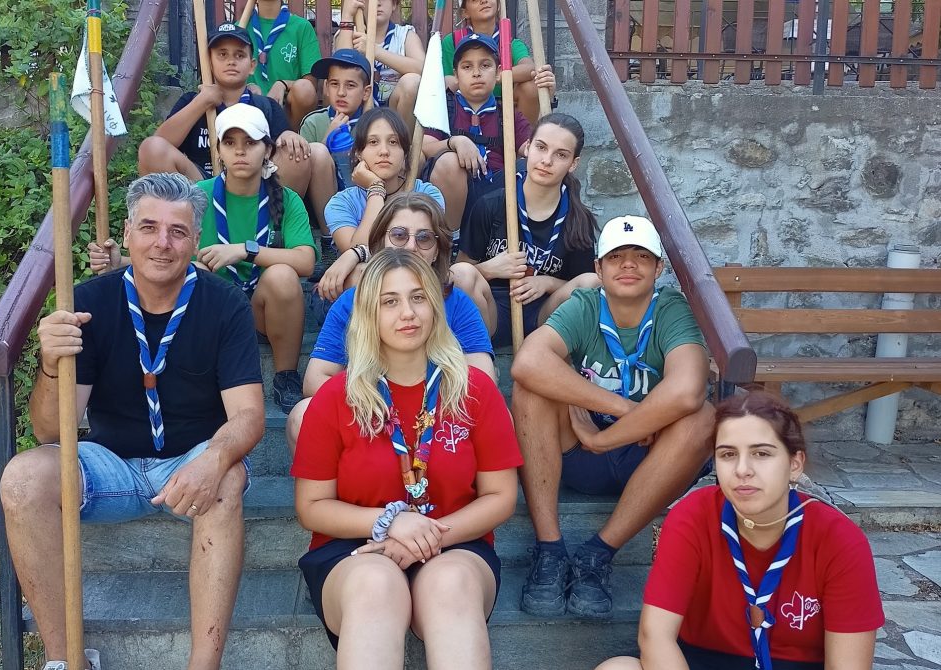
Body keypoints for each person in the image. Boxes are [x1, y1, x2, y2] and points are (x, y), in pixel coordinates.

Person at [0, 173, 265, 670]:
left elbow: (249, 415)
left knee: (228, 476)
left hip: (189, 463)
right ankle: (66, 661)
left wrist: (214, 458)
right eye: (149, 227)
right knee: (22, 478)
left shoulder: (225, 303)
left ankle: (203, 665)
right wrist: (50, 364)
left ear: (196, 239)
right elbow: (51, 431)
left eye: (178, 231)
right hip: (110, 466)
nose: (163, 243)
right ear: (126, 233)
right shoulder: (87, 302)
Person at [292, 248, 523, 666]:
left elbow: (501, 496)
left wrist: (427, 538)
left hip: (457, 542)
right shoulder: (335, 397)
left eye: (418, 297)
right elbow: (312, 507)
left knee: (450, 582)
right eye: (390, 301)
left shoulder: (474, 390)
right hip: (355, 549)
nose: (408, 313)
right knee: (376, 585)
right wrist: (391, 523)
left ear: (435, 306)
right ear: (368, 313)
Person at [511, 215, 715, 618]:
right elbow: (528, 362)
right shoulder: (586, 305)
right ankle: (550, 550)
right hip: (582, 456)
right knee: (529, 391)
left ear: (658, 268)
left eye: (641, 256)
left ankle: (597, 554)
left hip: (650, 459)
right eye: (616, 256)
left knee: (703, 417)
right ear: (598, 268)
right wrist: (626, 410)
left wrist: (604, 437)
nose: (628, 265)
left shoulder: (671, 309)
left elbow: (688, 389)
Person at [598, 391, 883, 670]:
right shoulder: (693, 516)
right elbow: (655, 637)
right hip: (700, 660)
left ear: (795, 464)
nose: (742, 469)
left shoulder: (839, 539)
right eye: (728, 454)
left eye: (761, 453)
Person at [91, 105, 317, 413]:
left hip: (262, 311)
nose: (240, 152)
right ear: (219, 150)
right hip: (213, 308)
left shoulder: (286, 199)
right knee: (194, 271)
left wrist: (244, 250)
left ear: (267, 151)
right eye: (230, 143)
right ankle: (193, 374)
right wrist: (121, 262)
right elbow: (169, 251)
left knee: (282, 276)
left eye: (250, 143)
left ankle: (286, 375)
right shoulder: (197, 195)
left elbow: (305, 261)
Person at [285, 193, 496, 456]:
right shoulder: (352, 301)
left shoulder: (457, 302)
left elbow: (483, 379)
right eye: (399, 235)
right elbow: (316, 379)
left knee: (500, 418)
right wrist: (380, 405)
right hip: (370, 414)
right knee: (302, 415)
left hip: (440, 419)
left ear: (437, 250)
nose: (411, 247)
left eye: (424, 238)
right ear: (381, 243)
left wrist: (417, 409)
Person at [138, 22, 337, 255]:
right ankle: (184, 233)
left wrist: (288, 133)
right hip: (202, 190)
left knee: (297, 152)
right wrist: (202, 102)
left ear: (252, 65)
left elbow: (283, 142)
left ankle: (276, 233)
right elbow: (158, 146)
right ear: (209, 62)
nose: (231, 61)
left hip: (253, 193)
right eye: (222, 54)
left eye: (239, 55)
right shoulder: (192, 101)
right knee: (151, 147)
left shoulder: (264, 106)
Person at [455, 113, 600, 347]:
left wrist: (547, 283)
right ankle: (477, 353)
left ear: (573, 164)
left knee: (591, 283)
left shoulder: (577, 220)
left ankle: (549, 354)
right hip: (490, 310)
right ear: (528, 147)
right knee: (463, 274)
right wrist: (488, 270)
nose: (547, 160)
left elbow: (584, 285)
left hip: (545, 316)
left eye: (561, 155)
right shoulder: (492, 205)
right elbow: (455, 274)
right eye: (541, 147)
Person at [421, 33, 554, 237]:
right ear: (456, 75)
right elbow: (425, 147)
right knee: (448, 161)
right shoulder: (445, 108)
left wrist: (547, 94)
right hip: (454, 194)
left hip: (495, 194)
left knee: (527, 168)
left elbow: (532, 150)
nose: (476, 73)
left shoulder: (506, 113)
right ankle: (451, 240)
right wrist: (455, 142)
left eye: (485, 65)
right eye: (467, 67)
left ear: (499, 72)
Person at [316, 107, 445, 302]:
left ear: (405, 154)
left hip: (421, 280)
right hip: (369, 291)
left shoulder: (428, 194)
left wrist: (357, 253)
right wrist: (376, 189)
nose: (384, 151)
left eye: (393, 142)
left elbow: (419, 252)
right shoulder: (341, 203)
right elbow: (360, 251)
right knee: (360, 273)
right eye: (373, 142)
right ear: (358, 153)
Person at [441, 0, 553, 126]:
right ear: (465, 12)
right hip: (464, 109)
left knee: (532, 85)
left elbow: (530, 69)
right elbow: (448, 82)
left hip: (503, 107)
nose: (484, 1)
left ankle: (524, 135)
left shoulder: (511, 43)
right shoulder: (453, 41)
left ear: (498, 4)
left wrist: (494, 76)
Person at [335, 0, 426, 130]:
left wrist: (375, 51)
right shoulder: (349, 32)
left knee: (412, 82)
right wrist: (347, 16)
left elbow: (422, 69)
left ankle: (401, 139)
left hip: (395, 111)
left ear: (394, 4)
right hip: (357, 111)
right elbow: (339, 68)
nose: (377, 3)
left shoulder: (405, 35)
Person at [300, 49, 374, 190]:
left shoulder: (375, 124)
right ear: (326, 87)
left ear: (366, 92)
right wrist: (327, 140)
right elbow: (303, 173)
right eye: (334, 84)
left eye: (350, 85)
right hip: (325, 199)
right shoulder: (313, 123)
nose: (341, 93)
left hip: (366, 196)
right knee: (318, 151)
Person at [246, 0, 321, 129]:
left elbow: (311, 84)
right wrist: (246, 87)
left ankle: (292, 137)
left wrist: (283, 84)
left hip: (288, 112)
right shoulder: (240, 28)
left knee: (304, 88)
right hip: (249, 111)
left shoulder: (301, 27)